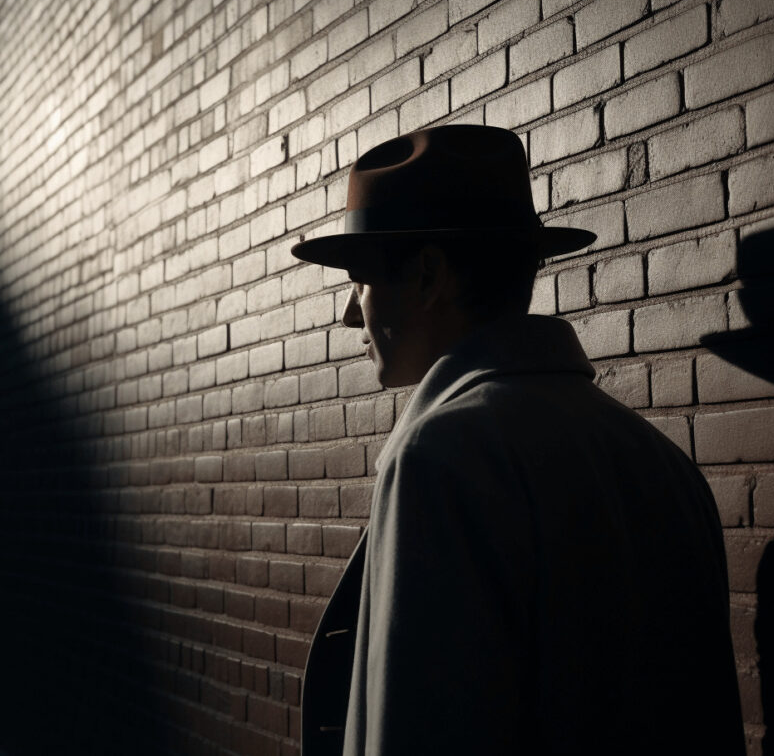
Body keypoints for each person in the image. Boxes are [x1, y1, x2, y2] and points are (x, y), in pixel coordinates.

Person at [291, 125, 745, 755]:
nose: (349, 316)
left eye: (359, 283)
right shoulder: (663, 462)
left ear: (427, 276)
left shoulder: (438, 459)